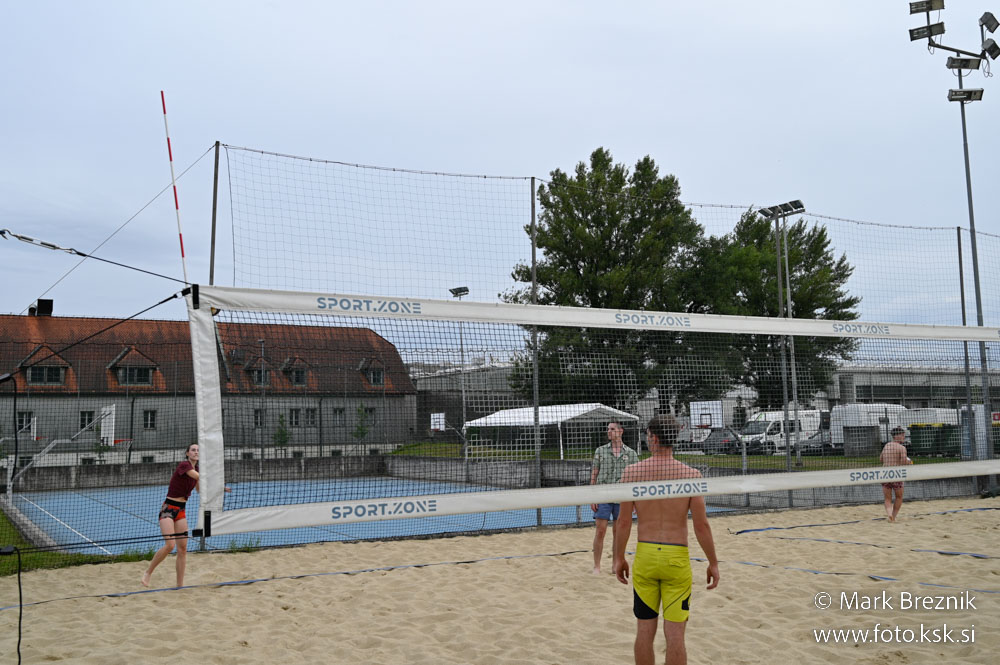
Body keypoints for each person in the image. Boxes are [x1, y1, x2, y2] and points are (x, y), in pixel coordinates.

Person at [613, 415, 719, 665]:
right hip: (676, 558)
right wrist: (713, 562)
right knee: (675, 636)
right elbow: (701, 525)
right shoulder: (690, 475)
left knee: (644, 631)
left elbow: (623, 522)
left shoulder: (632, 473)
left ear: (654, 438)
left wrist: (619, 557)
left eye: (648, 435)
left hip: (646, 556)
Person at [142, 443, 228, 587]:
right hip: (168, 509)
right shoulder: (184, 465)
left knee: (182, 550)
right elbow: (198, 477)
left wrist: (220, 488)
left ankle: (179, 586)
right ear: (187, 453)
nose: (196, 452)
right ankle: (148, 573)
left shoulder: (198, 470)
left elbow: (199, 489)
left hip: (181, 510)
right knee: (170, 545)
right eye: (193, 450)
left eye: (198, 450)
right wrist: (215, 480)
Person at [590, 421, 639, 574]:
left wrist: (635, 501)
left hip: (622, 497)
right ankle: (597, 566)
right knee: (600, 530)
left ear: (620, 431)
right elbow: (594, 474)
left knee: (618, 533)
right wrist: (592, 496)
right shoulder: (600, 451)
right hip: (603, 495)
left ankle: (615, 564)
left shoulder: (631, 453)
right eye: (608, 429)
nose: (609, 432)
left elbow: (636, 478)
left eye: (612, 429)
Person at [879, 425, 913, 522]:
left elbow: (881, 459)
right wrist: (909, 462)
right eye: (902, 435)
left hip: (885, 474)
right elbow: (903, 462)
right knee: (899, 497)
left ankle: (889, 514)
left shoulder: (887, 446)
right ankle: (893, 516)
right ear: (897, 436)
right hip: (897, 474)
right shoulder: (902, 448)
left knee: (887, 498)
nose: (904, 437)